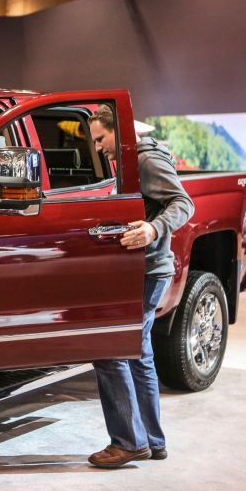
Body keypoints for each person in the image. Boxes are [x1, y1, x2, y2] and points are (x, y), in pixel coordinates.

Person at [87, 104, 194, 468]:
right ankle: (152, 440)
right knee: (138, 353)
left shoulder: (146, 160)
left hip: (145, 272)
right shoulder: (134, 163)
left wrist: (153, 228)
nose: (97, 148)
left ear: (119, 131)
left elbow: (183, 203)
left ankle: (128, 442)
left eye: (101, 138)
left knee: (110, 349)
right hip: (145, 270)